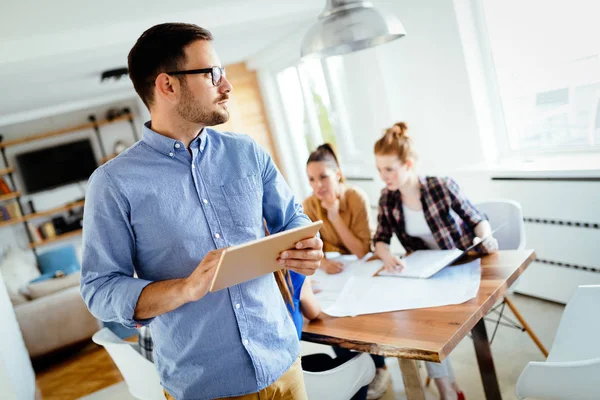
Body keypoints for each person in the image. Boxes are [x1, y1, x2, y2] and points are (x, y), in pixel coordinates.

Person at [80, 23, 323, 400]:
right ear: (167, 86)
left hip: (284, 364)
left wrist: (306, 244)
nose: (225, 85)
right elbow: (100, 289)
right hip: (204, 388)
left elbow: (294, 219)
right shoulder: (113, 184)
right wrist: (185, 288)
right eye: (212, 74)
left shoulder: (247, 152)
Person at [373, 122, 499, 400]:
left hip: (461, 264)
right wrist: (387, 255)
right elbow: (380, 239)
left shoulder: (441, 186)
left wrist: (485, 238)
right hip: (427, 272)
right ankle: (447, 389)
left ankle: (449, 389)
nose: (384, 177)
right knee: (418, 319)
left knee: (426, 319)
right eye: (380, 170)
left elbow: (477, 220)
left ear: (407, 164)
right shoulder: (387, 199)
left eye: (389, 169)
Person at [302, 144, 390, 400]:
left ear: (337, 173)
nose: (318, 185)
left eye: (323, 177)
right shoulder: (308, 204)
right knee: (330, 313)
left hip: (362, 267)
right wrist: (322, 261)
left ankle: (379, 366)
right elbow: (310, 247)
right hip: (336, 271)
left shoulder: (356, 197)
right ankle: (353, 365)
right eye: (311, 179)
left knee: (361, 310)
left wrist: (334, 216)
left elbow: (362, 250)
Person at [277, 269, 369, 400]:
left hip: (270, 376)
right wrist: (306, 285)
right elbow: (314, 312)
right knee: (362, 363)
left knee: (322, 358)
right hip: (291, 379)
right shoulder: (295, 272)